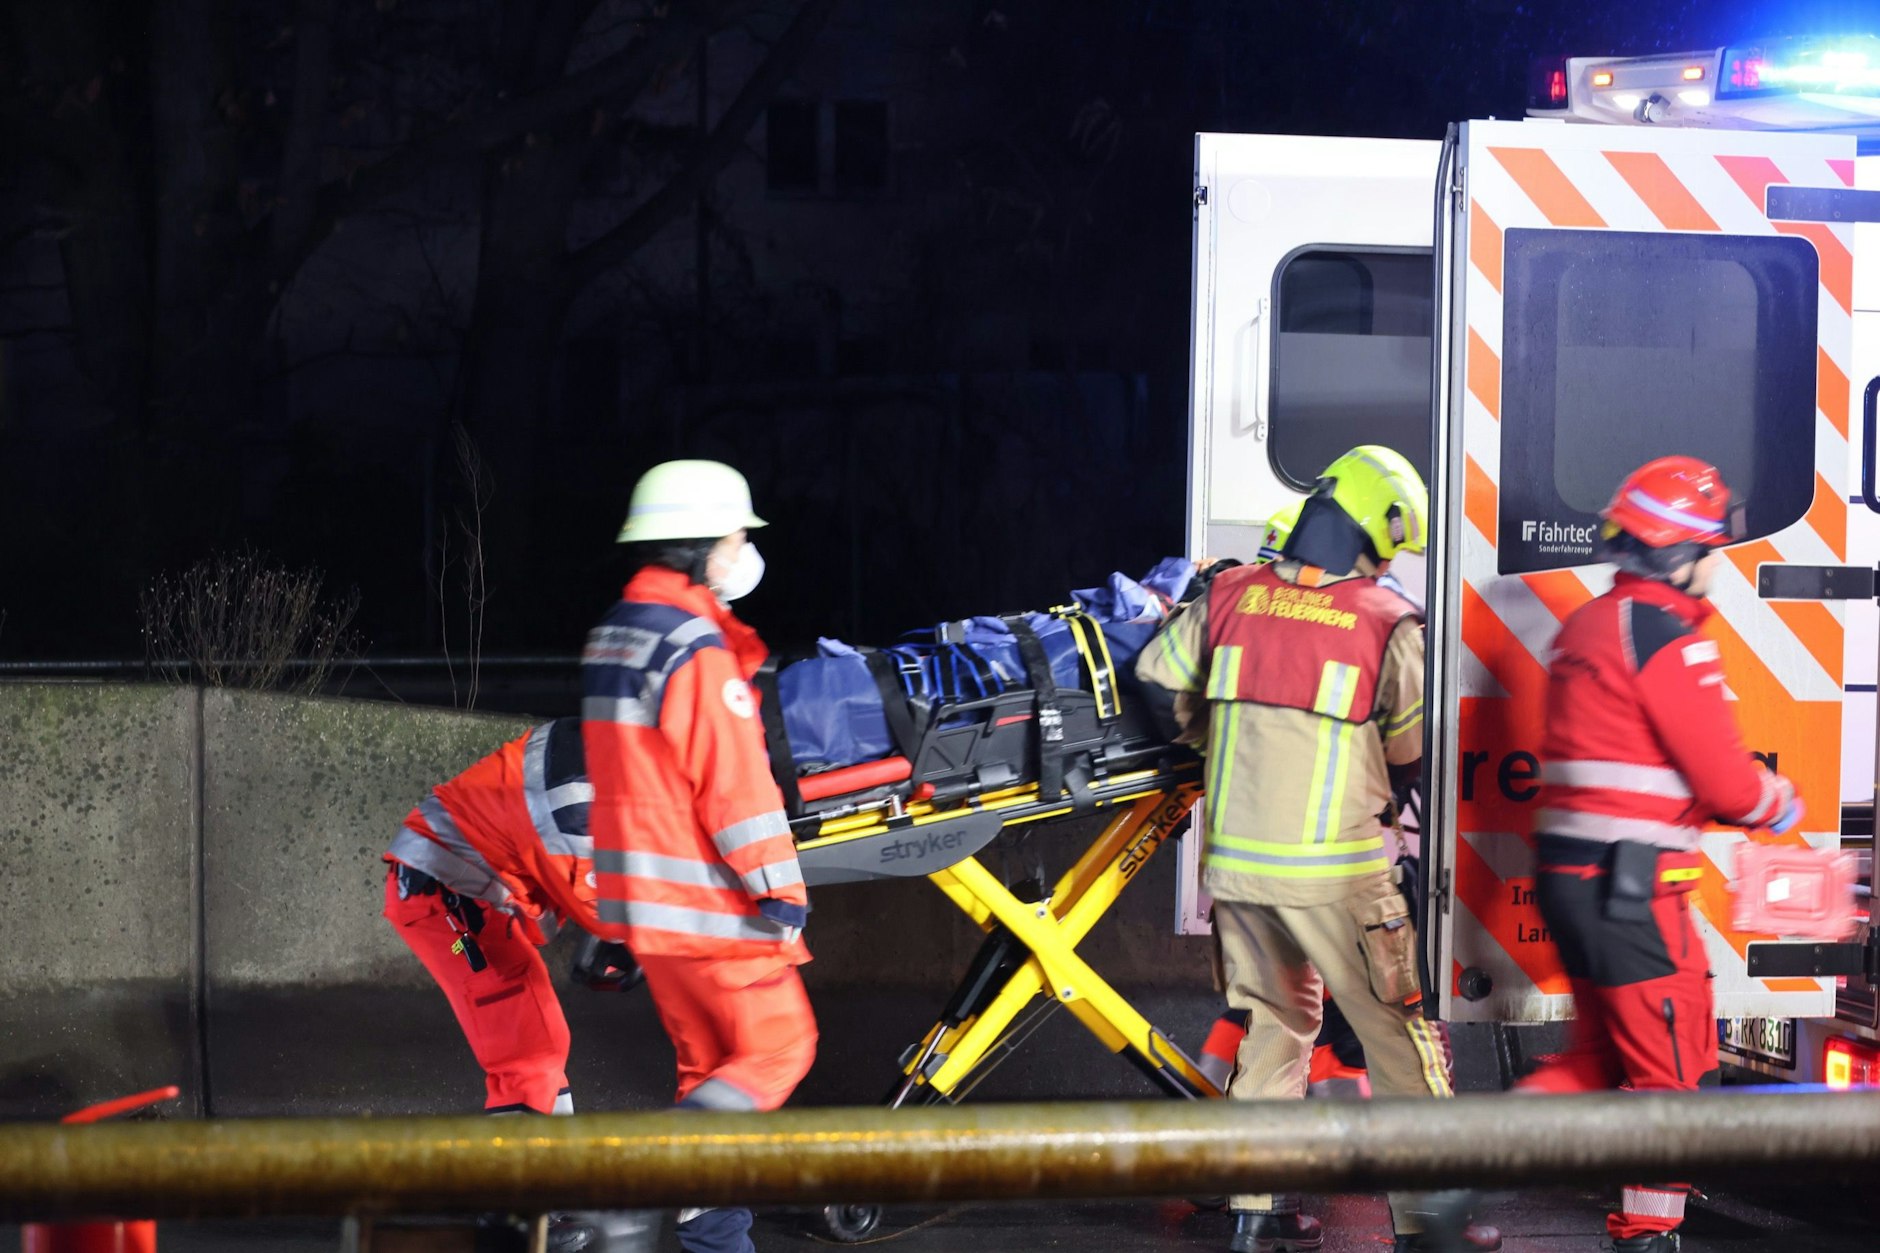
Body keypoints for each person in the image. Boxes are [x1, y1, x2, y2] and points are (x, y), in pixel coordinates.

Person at [1137, 446, 1495, 1253]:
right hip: (1340, 876)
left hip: (1238, 868)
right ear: (1381, 526)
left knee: (1272, 1031)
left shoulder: (1229, 596)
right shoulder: (1385, 621)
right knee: (1401, 1041)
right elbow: (1414, 757)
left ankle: (1254, 1218)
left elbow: (1155, 680)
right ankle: (1428, 1224)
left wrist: (1206, 737)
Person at [1517, 456, 1802, 1253]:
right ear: (1678, 553)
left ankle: (1456, 1170)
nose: (1718, 562)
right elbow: (1729, 785)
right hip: (1635, 894)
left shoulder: (1585, 626)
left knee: (1600, 1058)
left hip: (1575, 878)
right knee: (1673, 1074)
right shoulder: (1669, 641)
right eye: (1711, 545)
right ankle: (1647, 1237)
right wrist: (1781, 803)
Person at [583, 459, 817, 1253]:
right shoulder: (693, 644)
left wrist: (611, 918)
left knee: (708, 1070)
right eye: (734, 532)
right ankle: (646, 1178)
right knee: (781, 1046)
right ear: (697, 544)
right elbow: (735, 783)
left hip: (651, 912)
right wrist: (780, 891)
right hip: (716, 909)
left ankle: (715, 1236)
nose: (744, 544)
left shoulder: (618, 632)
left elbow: (618, 782)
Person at [385, 717, 655, 1252]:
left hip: (462, 892)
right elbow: (599, 904)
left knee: (542, 1042)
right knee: (526, 1051)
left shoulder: (598, 760)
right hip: (449, 896)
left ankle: (548, 1196)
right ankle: (511, 1213)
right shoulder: (585, 796)